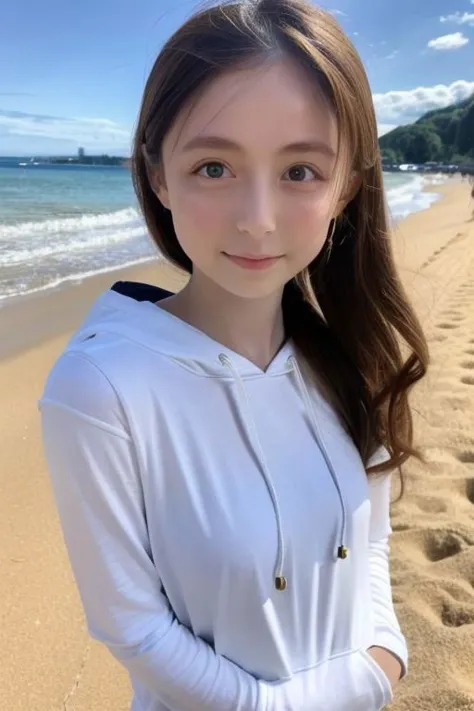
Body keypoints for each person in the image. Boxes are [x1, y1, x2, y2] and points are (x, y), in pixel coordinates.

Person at [38, 1, 430, 710]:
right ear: (158, 175)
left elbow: (370, 540)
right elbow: (131, 625)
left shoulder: (348, 350)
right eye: (214, 166)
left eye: (300, 170)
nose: (257, 217)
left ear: (347, 183)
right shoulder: (99, 388)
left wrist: (383, 659)